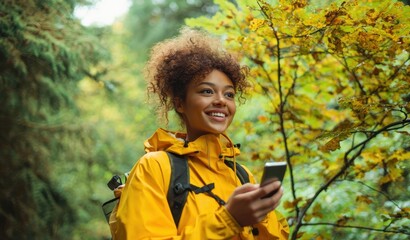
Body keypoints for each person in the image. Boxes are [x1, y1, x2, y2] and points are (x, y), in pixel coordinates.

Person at [110, 27, 289, 239]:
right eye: (207, 91)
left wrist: (262, 213)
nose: (221, 100)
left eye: (229, 94)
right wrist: (229, 220)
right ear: (180, 104)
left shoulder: (240, 174)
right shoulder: (154, 168)